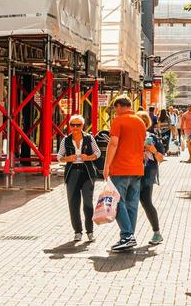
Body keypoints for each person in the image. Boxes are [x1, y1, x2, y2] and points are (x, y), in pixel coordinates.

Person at [103, 96, 146, 252]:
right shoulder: (140, 122)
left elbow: (113, 143)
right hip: (137, 169)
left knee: (117, 201)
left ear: (120, 106)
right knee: (132, 204)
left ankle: (127, 236)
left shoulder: (119, 120)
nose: (115, 112)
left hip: (121, 168)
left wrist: (106, 165)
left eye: (115, 108)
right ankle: (130, 236)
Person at [57, 113, 101, 243]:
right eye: (73, 125)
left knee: (88, 203)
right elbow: (59, 156)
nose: (75, 127)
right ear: (69, 126)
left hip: (87, 173)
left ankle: (90, 231)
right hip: (72, 173)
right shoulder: (66, 140)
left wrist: (89, 157)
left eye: (78, 125)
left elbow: (97, 152)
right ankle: (77, 231)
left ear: (82, 125)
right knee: (73, 204)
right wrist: (67, 158)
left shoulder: (89, 138)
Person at [137, 110, 164, 245]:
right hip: (131, 172)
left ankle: (157, 233)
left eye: (143, 122)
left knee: (146, 201)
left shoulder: (152, 137)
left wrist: (152, 149)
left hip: (148, 173)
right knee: (129, 203)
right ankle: (127, 234)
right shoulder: (130, 136)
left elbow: (160, 158)